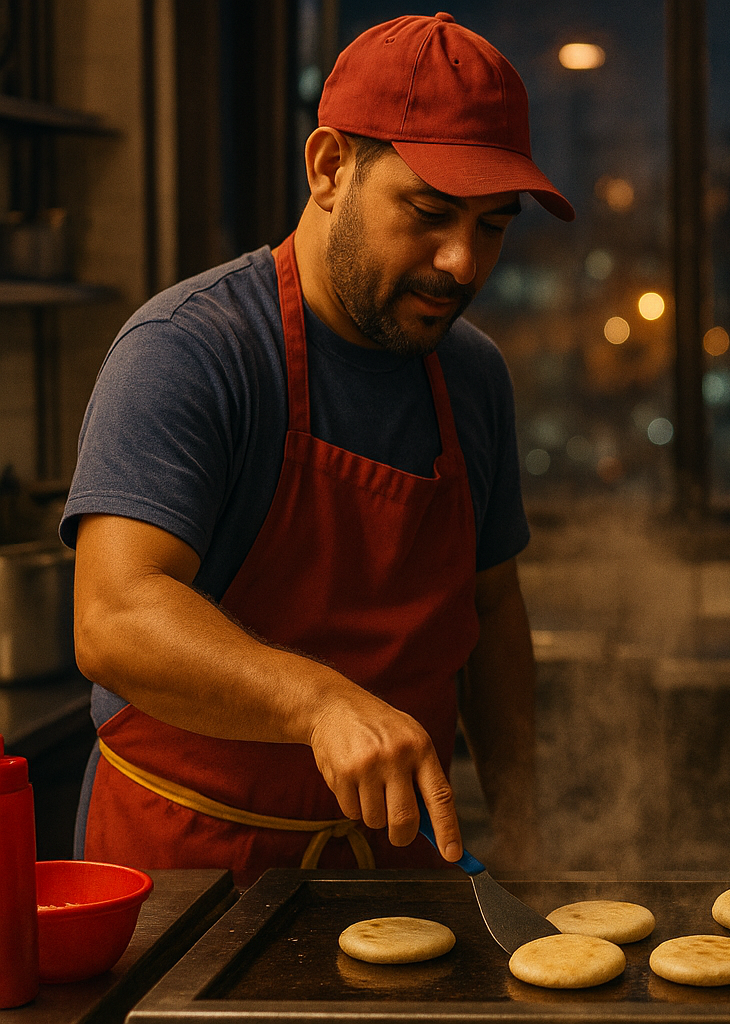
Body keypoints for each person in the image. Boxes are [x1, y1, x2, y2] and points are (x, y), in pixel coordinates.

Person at [63, 12, 573, 886]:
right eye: (429, 213)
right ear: (330, 166)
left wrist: (525, 827)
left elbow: (491, 611)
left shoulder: (473, 376)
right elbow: (114, 619)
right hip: (191, 871)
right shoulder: (191, 350)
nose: (462, 262)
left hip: (399, 871)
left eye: (493, 225)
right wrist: (320, 701)